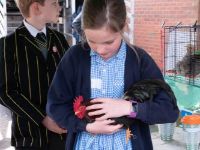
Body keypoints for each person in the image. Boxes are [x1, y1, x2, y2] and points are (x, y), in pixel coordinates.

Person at [46, 0, 179, 149]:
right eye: (92, 41)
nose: (100, 50)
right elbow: (55, 106)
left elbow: (169, 111)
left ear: (123, 26)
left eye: (109, 42)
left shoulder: (139, 60)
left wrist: (130, 108)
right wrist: (86, 126)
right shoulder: (75, 57)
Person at [0, 0, 69, 149]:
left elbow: (70, 80)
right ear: (37, 7)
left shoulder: (60, 39)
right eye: (54, 3)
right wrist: (43, 118)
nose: (59, 6)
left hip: (62, 133)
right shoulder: (8, 45)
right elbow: (5, 92)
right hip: (29, 137)